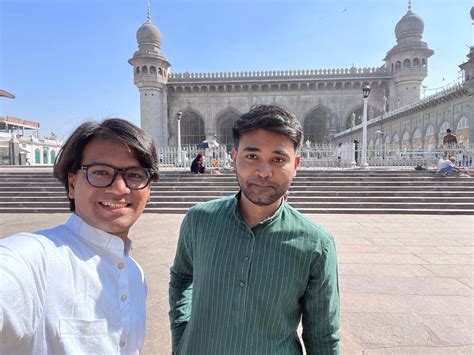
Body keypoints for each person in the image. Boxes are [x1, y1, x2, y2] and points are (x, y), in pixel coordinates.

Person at [169, 105, 340, 354]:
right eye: (252, 156)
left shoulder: (315, 243)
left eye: (278, 159)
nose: (263, 171)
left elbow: (323, 336)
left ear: (296, 164)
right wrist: (182, 337)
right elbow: (182, 277)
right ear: (234, 156)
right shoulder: (200, 221)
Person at [0, 118, 159, 354]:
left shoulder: (135, 275)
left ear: (148, 188)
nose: (120, 188)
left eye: (135, 175)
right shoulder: (33, 261)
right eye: (101, 172)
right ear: (72, 184)